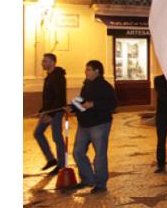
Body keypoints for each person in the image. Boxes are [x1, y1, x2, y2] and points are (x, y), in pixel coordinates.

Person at [69, 60, 118, 193]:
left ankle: (101, 183)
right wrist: (72, 107)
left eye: (88, 69)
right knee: (78, 152)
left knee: (100, 155)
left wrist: (94, 104)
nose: (86, 72)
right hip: (84, 124)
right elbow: (82, 100)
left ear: (97, 71)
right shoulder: (86, 84)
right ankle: (87, 179)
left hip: (99, 124)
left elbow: (112, 104)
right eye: (86, 69)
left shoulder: (105, 86)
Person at [33, 53, 67, 173]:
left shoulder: (58, 77)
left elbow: (60, 98)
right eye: (43, 61)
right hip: (48, 111)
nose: (42, 63)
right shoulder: (49, 76)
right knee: (37, 133)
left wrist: (50, 115)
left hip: (55, 112)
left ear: (52, 62)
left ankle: (62, 165)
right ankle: (51, 159)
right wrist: (42, 110)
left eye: (45, 61)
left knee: (57, 138)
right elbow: (49, 97)